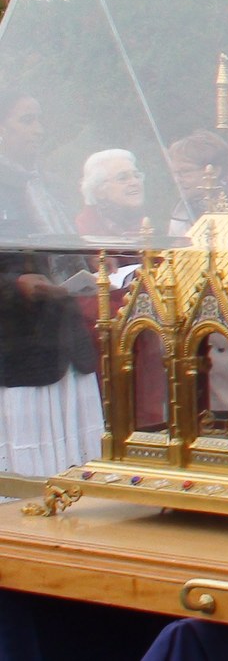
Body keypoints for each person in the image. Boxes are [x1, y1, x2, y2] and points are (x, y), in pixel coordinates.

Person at [0, 90, 103, 476]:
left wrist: (92, 263)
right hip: (18, 348)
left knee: (75, 467)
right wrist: (17, 285)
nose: (39, 130)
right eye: (27, 120)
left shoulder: (49, 185)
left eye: (40, 119)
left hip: (63, 340)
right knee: (27, 476)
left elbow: (66, 250)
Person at [166, 130, 228, 236]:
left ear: (214, 171)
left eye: (185, 171)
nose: (177, 180)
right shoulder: (179, 212)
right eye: (175, 173)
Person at [76, 149, 147, 238]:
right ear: (99, 191)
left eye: (136, 176)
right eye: (123, 178)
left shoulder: (154, 223)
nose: (135, 182)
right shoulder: (82, 229)